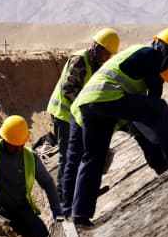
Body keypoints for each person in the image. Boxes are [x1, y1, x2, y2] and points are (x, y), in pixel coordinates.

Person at [67, 28, 168, 225]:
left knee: (93, 156)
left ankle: (80, 214)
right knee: (160, 109)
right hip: (107, 98)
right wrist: (157, 127)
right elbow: (155, 96)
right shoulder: (151, 55)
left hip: (88, 105)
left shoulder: (137, 53)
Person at [45, 27, 119, 199]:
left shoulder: (96, 64)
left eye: (110, 55)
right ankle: (62, 197)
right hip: (63, 114)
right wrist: (86, 110)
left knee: (83, 152)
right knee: (68, 155)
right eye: (106, 53)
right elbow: (68, 89)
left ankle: (83, 191)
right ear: (97, 48)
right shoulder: (80, 60)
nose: (107, 58)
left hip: (77, 114)